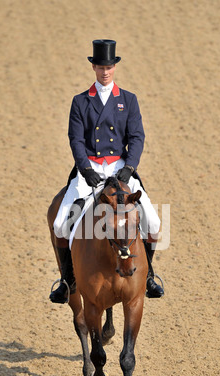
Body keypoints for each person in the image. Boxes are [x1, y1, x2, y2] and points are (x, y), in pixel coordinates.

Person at [49, 39, 164, 303]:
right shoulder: (80, 101)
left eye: (109, 67)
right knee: (59, 224)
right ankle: (68, 281)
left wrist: (130, 167)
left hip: (120, 167)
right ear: (94, 68)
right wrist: (85, 168)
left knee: (155, 222)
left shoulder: (128, 100)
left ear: (114, 68)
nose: (105, 72)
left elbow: (136, 137)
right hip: (89, 168)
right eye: (101, 67)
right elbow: (75, 139)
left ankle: (148, 276)